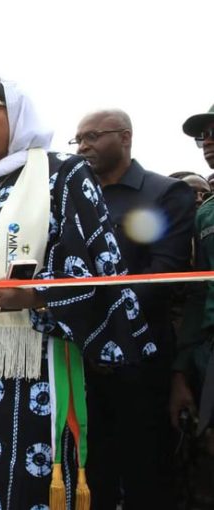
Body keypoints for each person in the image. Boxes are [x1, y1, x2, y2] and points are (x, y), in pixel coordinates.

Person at [0, 76, 154, 510]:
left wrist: (39, 295)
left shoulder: (61, 173)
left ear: (19, 114)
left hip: (30, 359)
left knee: (28, 479)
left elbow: (99, 264)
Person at [73, 108, 195, 509]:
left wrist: (103, 323)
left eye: (93, 136)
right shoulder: (75, 198)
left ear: (125, 137)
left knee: (147, 473)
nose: (83, 146)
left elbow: (164, 273)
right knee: (93, 471)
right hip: (81, 358)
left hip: (141, 359)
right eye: (78, 139)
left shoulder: (163, 193)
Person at [171, 104, 214, 507]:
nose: (208, 143)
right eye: (204, 136)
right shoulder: (206, 215)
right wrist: (183, 370)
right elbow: (200, 291)